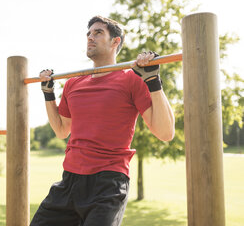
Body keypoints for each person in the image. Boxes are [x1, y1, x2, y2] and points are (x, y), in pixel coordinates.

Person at [30, 16, 175, 226]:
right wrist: (48, 94)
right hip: (69, 181)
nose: (90, 37)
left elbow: (166, 132)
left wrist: (153, 81)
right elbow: (62, 130)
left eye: (98, 33)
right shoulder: (73, 83)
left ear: (116, 41)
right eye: (88, 34)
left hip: (108, 183)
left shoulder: (132, 79)